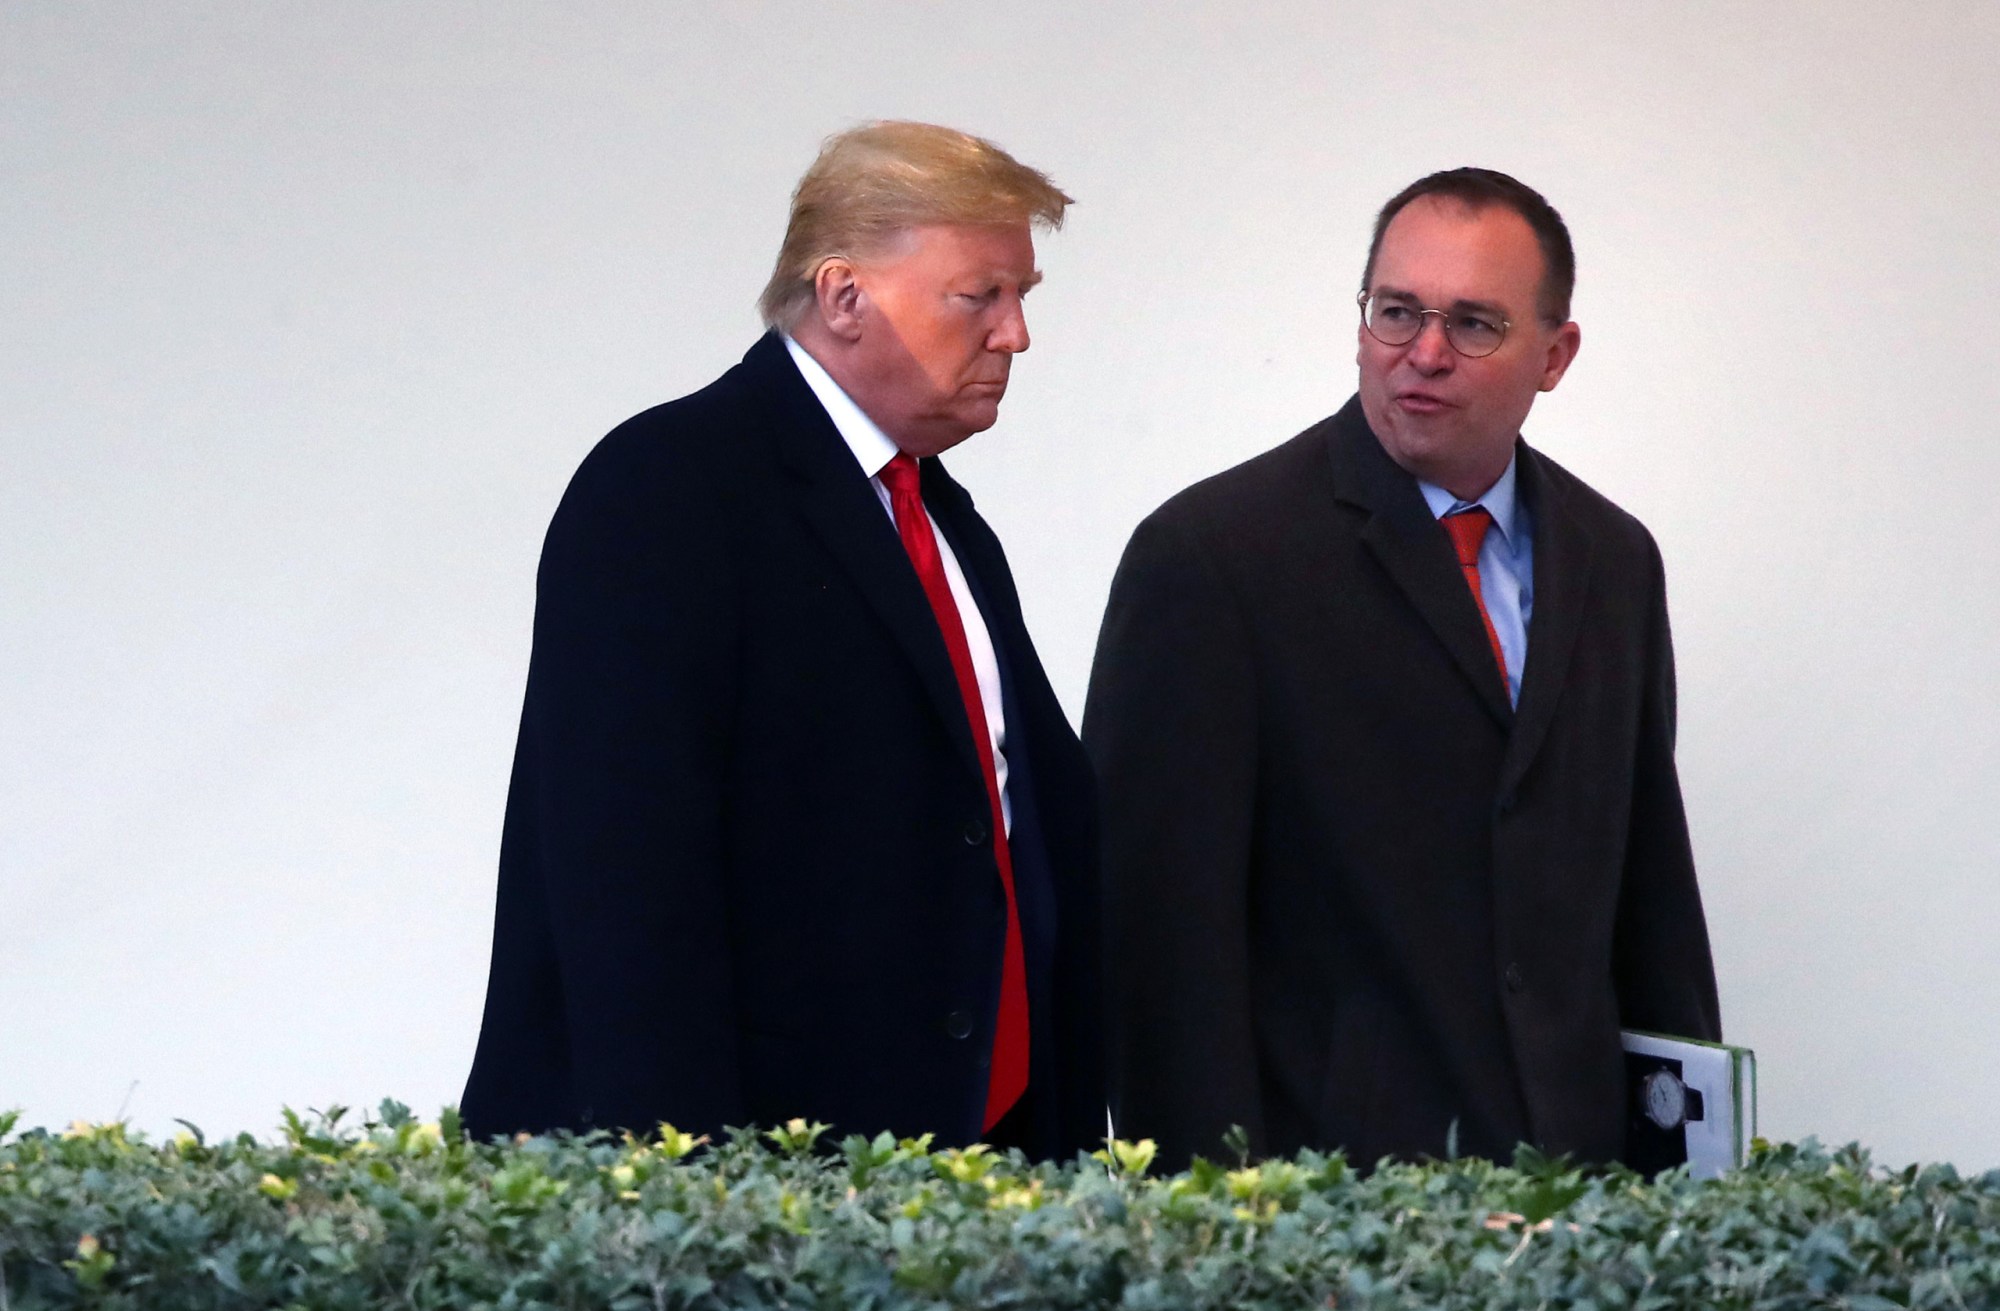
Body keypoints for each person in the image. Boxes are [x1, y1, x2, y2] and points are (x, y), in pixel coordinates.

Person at [461, 121, 1103, 1159]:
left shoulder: (940, 519)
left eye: (1021, 297)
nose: (1015, 334)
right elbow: (622, 880)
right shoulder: (667, 487)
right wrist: (694, 1197)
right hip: (763, 1199)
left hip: (966, 1175)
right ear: (844, 295)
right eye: (978, 295)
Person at [1084, 168, 1720, 1172]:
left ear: (1553, 355)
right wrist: (1207, 1222)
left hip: (1581, 1202)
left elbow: (1648, 901)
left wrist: (1687, 1183)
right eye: (1395, 313)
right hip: (1329, 1211)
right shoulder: (1213, 558)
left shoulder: (1611, 560)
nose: (1421, 354)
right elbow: (1159, 944)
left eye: (1472, 324)